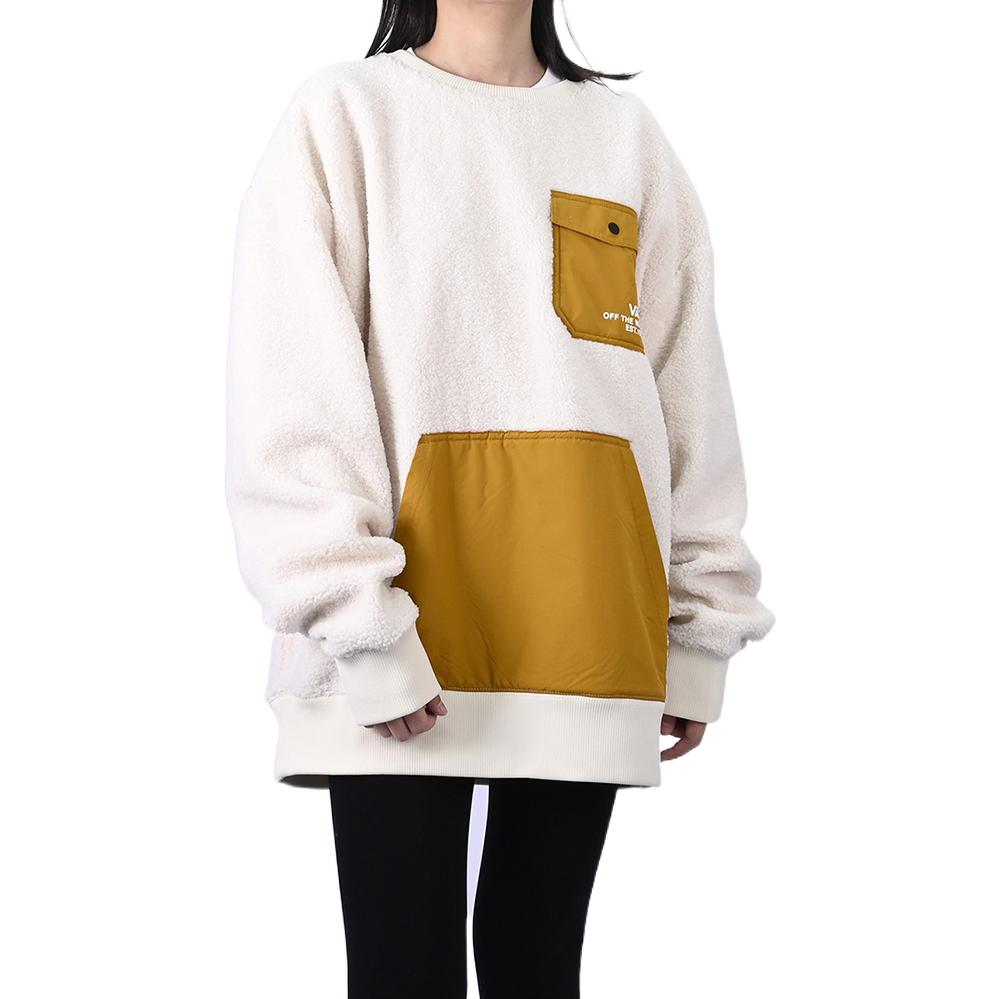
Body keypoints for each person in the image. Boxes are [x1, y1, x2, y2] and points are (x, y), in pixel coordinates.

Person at [225, 1, 776, 995]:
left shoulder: (622, 137)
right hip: (400, 638)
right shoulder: (345, 115)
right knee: (403, 975)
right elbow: (294, 395)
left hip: (587, 633)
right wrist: (362, 627)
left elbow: (687, 394)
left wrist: (699, 631)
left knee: (538, 972)